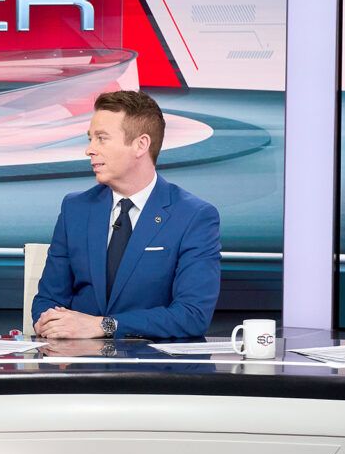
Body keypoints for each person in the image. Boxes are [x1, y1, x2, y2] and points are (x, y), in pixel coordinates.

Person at [31, 89, 221, 340]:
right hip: (77, 359)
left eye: (101, 138)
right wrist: (49, 323)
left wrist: (105, 326)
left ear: (140, 145)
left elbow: (192, 315)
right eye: (90, 139)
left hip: (152, 361)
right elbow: (47, 300)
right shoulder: (75, 209)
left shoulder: (193, 217)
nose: (89, 150)